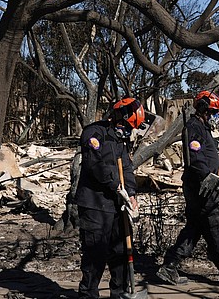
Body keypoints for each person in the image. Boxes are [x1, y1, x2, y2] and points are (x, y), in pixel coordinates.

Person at [154, 90, 219, 289]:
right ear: (203, 109)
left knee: (194, 228)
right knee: (217, 228)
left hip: (200, 186)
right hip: (201, 188)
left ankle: (170, 266)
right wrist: (209, 179)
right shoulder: (194, 128)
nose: (216, 116)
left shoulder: (202, 128)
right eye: (214, 112)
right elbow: (196, 159)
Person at [75, 97, 145, 299]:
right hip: (94, 205)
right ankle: (88, 295)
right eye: (127, 126)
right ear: (118, 117)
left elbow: (127, 168)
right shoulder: (94, 133)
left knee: (121, 251)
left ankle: (120, 293)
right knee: (95, 254)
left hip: (117, 205)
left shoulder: (120, 140)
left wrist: (130, 193)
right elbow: (95, 165)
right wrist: (116, 185)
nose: (128, 131)